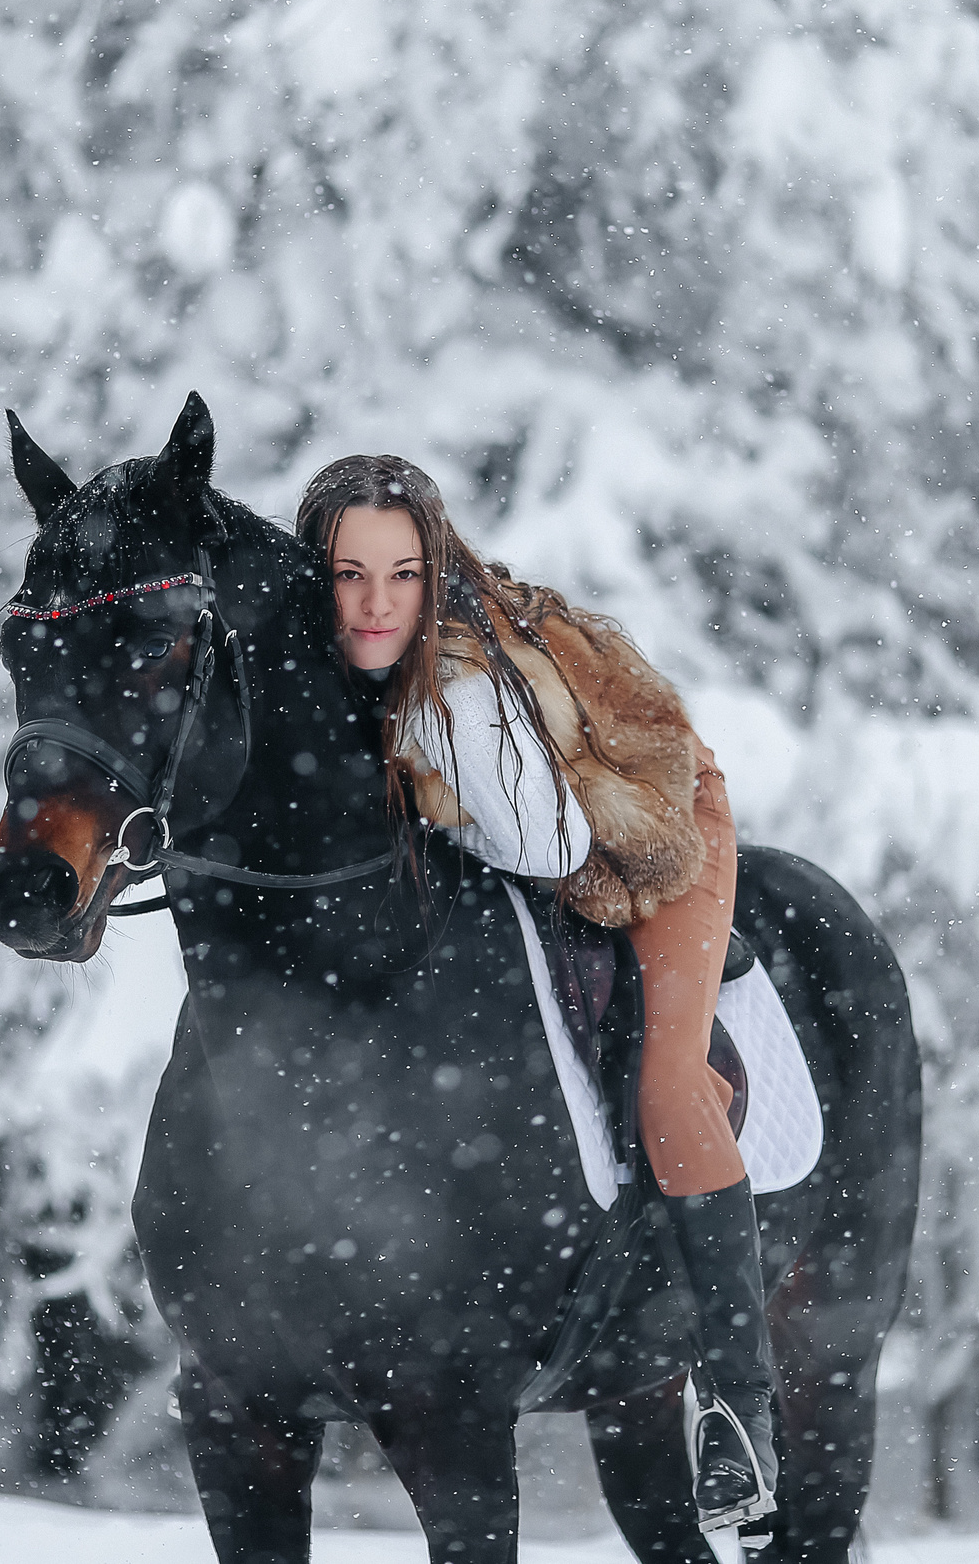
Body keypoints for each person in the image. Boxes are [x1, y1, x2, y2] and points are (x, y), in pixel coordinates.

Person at [293, 455, 776, 1533]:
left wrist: (417, 751)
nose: (375, 605)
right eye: (348, 575)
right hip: (550, 838)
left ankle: (740, 1410)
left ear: (435, 574)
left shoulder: (457, 686)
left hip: (652, 829)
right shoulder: (320, 657)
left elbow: (554, 850)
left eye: (403, 576)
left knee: (668, 1083)